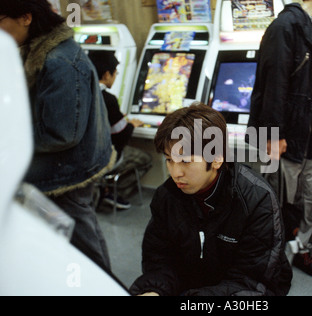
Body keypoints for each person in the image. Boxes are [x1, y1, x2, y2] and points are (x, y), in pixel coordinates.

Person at [129, 102, 292, 296]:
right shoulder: (167, 196)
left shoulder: (257, 200)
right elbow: (159, 259)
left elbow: (252, 282)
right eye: (169, 159)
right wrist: (154, 289)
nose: (175, 172)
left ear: (217, 158)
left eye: (185, 161)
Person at [0, 0, 116, 271]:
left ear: (26, 18)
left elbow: (62, 133)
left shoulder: (59, 60)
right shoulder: (39, 49)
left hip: (67, 172)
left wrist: (11, 136)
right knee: (79, 239)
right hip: (64, 166)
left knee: (85, 249)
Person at [247, 0, 312, 278]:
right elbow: (271, 84)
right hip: (285, 135)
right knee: (275, 201)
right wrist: (272, 133)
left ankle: (300, 251)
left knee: (311, 201)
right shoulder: (283, 26)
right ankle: (269, 258)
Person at [88, 50, 149, 210]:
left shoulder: (82, 92)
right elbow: (121, 135)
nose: (115, 77)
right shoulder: (108, 99)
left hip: (84, 156)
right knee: (145, 160)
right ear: (107, 75)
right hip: (104, 157)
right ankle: (109, 192)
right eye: (115, 73)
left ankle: (103, 189)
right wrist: (131, 124)